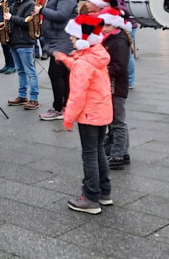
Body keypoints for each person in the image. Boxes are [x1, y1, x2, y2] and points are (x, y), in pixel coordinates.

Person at [55, 15, 113, 214]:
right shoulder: (96, 54)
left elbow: (77, 96)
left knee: (89, 154)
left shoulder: (84, 63)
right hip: (101, 111)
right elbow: (83, 66)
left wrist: (68, 117)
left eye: (73, 35)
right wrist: (66, 59)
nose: (70, 39)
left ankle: (90, 197)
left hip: (89, 114)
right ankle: (104, 192)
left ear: (82, 38)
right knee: (98, 151)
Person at [34, 0, 79, 121]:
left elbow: (62, 14)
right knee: (63, 75)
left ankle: (59, 108)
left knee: (56, 73)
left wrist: (41, 11)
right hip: (58, 38)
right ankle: (67, 106)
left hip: (63, 39)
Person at [98, 7, 132, 169]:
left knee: (118, 121)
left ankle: (118, 154)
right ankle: (122, 151)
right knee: (113, 120)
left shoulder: (118, 42)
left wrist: (100, 70)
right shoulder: (111, 38)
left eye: (106, 25)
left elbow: (119, 67)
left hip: (116, 87)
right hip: (110, 85)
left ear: (115, 25)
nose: (103, 28)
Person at [4, 0, 39, 110]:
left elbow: (28, 22)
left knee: (30, 71)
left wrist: (11, 17)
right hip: (14, 41)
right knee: (21, 71)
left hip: (25, 41)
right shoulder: (15, 3)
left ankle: (34, 98)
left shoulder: (30, 3)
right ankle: (22, 95)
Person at [109, 0, 138, 89]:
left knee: (127, 54)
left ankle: (130, 80)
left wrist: (114, 5)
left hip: (128, 25)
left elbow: (129, 9)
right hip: (116, 25)